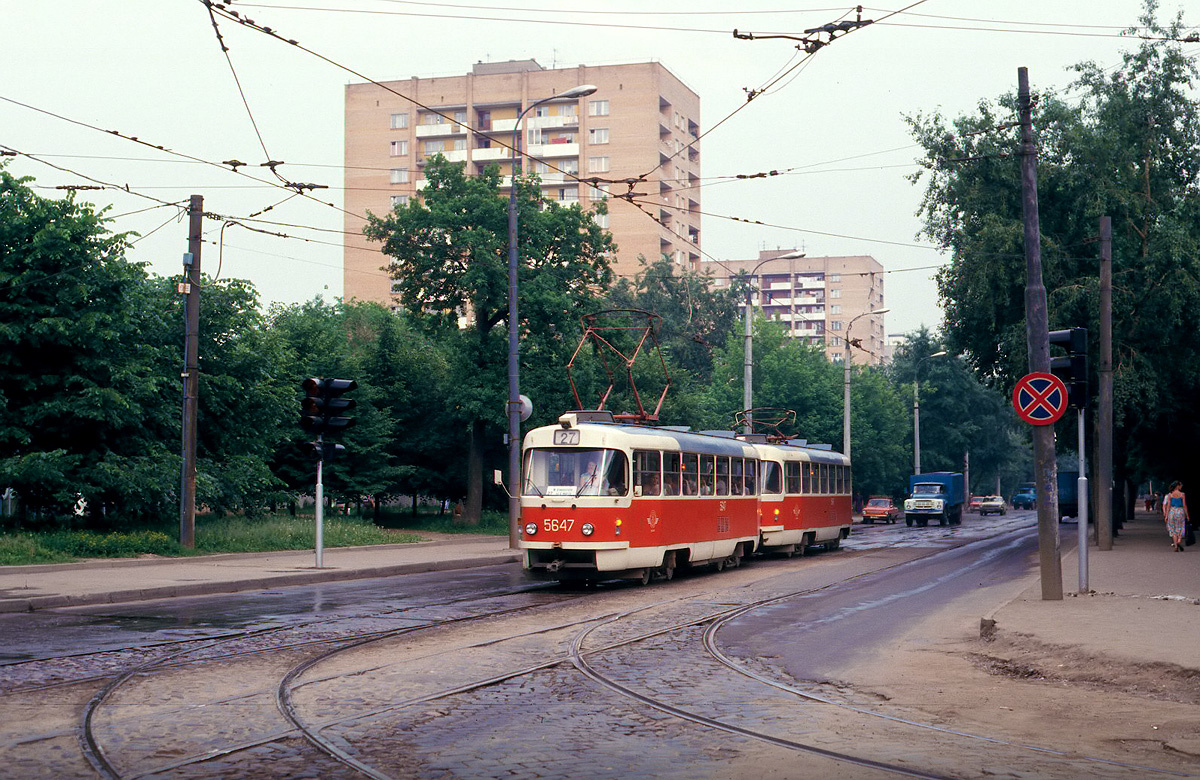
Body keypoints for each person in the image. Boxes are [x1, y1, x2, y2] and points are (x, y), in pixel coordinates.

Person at [1163, 481, 1190, 551]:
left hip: (1172, 512)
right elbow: (1184, 505)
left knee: (1173, 528)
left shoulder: (1170, 495)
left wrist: (1166, 515)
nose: (1181, 487)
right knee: (1180, 526)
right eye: (1180, 486)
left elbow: (1168, 506)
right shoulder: (1182, 494)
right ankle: (1179, 541)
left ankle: (1175, 546)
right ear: (1177, 486)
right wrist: (1187, 515)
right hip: (1180, 511)